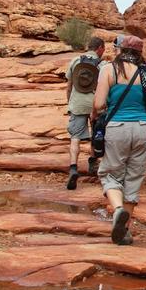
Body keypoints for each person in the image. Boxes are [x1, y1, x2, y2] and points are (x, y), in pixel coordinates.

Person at [92, 35, 146, 245]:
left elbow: (98, 104)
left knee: (110, 173)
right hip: (142, 128)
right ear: (140, 52)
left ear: (120, 50)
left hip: (117, 128)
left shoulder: (109, 69)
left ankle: (118, 211)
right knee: (133, 178)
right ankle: (124, 232)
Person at [65, 36, 106, 190]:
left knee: (75, 137)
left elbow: (69, 85)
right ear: (100, 48)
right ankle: (93, 164)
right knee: (97, 134)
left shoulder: (75, 61)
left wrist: (70, 103)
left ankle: (73, 168)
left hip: (77, 104)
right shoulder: (103, 64)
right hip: (96, 104)